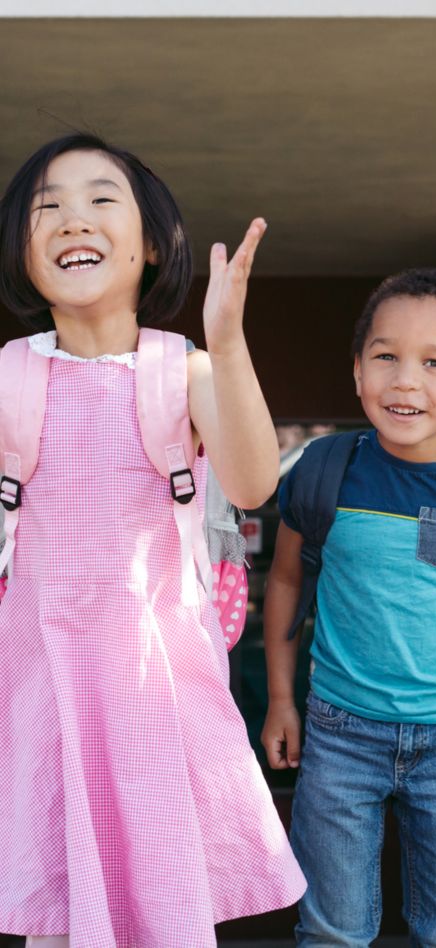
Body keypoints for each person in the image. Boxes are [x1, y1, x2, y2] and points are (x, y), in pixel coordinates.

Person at [0, 134, 306, 948]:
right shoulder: (8, 378)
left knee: (162, 914)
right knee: (61, 925)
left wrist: (230, 345)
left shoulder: (188, 371)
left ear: (151, 244)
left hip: (153, 698)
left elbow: (251, 484)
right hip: (44, 692)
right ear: (20, 252)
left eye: (102, 199)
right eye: (47, 206)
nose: (74, 218)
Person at [261, 268, 436, 947]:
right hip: (338, 734)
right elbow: (287, 581)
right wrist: (279, 699)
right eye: (385, 356)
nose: (405, 380)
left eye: (435, 362)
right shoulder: (324, 469)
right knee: (332, 929)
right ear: (357, 371)